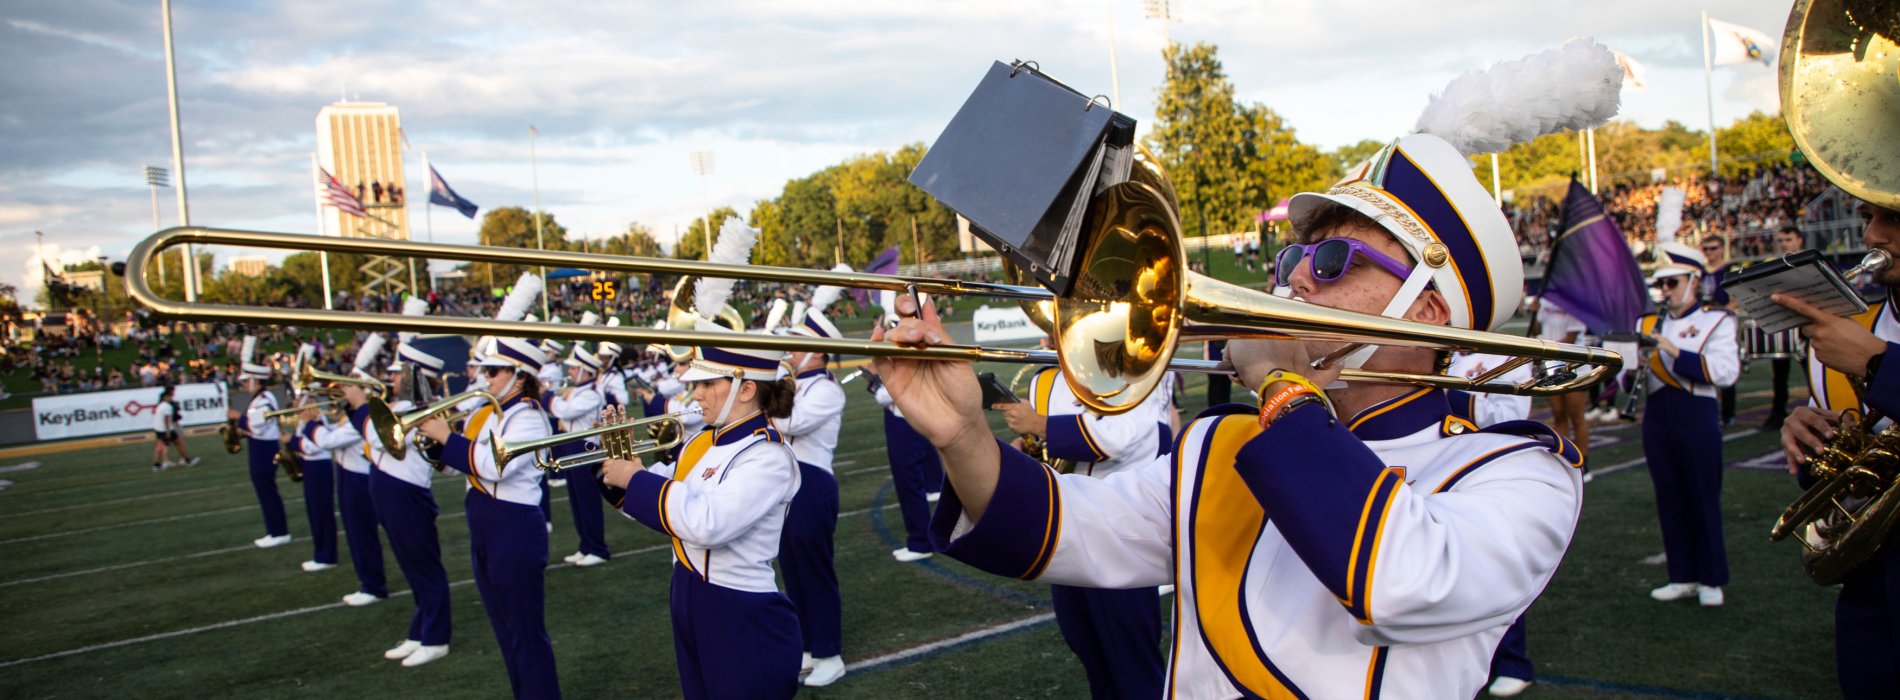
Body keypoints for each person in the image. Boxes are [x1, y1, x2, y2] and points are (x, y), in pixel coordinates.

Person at [877, 117, 1592, 695]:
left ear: (1428, 310)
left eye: (1334, 261)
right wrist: (963, 435)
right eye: (1295, 260)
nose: (1299, 281)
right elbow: (1062, 529)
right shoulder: (1221, 446)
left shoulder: (1520, 472)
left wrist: (1283, 387)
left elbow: (1402, 584)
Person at [599, 338, 803, 700]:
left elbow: (707, 524)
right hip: (689, 592)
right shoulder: (701, 443)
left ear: (746, 390)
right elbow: (657, 501)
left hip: (739, 608)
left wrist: (635, 478)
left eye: (708, 384)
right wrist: (615, 466)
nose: (696, 394)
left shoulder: (768, 455)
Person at [1776, 198, 1899, 698]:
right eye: (1868, 218)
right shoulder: (1852, 330)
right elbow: (1838, 476)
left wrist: (1878, 365)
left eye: (1895, 219)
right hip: (1872, 591)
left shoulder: (1862, 344)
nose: (1872, 237)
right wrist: (1811, 439)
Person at [994, 360, 1170, 699]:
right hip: (1067, 526)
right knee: (1087, 644)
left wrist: (1039, 424)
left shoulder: (1134, 370)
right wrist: (1027, 446)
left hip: (1120, 534)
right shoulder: (1046, 378)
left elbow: (1119, 439)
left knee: (1131, 661)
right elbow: (1048, 449)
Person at [418, 335, 561, 699]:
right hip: (485, 523)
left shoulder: (529, 417)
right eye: (486, 370)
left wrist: (447, 438)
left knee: (525, 632)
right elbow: (462, 467)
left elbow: (495, 467)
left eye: (494, 370)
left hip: (513, 527)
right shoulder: (490, 414)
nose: (486, 378)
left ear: (520, 375)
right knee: (505, 631)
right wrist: (436, 445)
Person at [1636, 241, 1738, 607]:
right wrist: (1631, 366)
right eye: (1660, 284)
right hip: (1657, 414)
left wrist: (1674, 351)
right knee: (1669, 497)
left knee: (1702, 496)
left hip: (1696, 412)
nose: (1664, 290)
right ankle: (1681, 576)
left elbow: (1726, 372)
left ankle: (1711, 578)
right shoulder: (1646, 323)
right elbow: (1628, 381)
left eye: (1672, 282)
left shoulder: (1717, 320)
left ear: (1694, 281)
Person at [1447, 352, 1538, 697]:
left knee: (1494, 565)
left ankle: (1513, 661)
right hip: (1443, 463)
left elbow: (1511, 419)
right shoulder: (1444, 353)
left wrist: (1450, 396)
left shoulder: (1507, 355)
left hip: (1486, 470)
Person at [358, 348, 454, 667]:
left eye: (398, 374)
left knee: (425, 567)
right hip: (390, 492)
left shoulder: (425, 412)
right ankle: (419, 631)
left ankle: (436, 638)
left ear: (414, 378)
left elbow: (380, 440)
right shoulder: (399, 408)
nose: (392, 378)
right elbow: (374, 439)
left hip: (408, 495)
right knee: (412, 567)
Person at [780, 302, 849, 686]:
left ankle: (829, 653)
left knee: (814, 571)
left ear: (818, 352)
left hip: (812, 483)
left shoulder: (826, 390)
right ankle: (807, 645)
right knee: (792, 569)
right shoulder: (796, 384)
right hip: (785, 483)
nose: (790, 350)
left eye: (797, 343)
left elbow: (792, 422)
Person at [550, 346, 610, 567]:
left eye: (575, 369)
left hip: (585, 447)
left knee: (587, 500)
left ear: (586, 370)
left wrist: (548, 398)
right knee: (575, 499)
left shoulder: (592, 392)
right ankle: (586, 545)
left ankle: (598, 548)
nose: (571, 372)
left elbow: (566, 411)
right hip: (571, 444)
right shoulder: (577, 390)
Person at [237, 358, 291, 548]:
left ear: (256, 381)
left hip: (264, 448)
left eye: (246, 381)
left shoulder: (264, 400)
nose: (244, 385)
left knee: (267, 491)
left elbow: (257, 425)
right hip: (260, 446)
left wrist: (238, 419)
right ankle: (274, 530)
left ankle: (279, 532)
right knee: (265, 491)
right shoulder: (260, 399)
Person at [1532, 297, 1591, 468]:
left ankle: (1583, 463)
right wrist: (1534, 313)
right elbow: (1536, 330)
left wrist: (1544, 350)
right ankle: (1564, 459)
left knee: (1576, 416)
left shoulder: (1575, 302)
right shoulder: (1545, 299)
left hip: (1574, 364)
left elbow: (1570, 339)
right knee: (1558, 413)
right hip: (1550, 363)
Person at [281, 393, 338, 573]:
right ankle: (321, 553)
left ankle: (326, 556)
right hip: (311, 465)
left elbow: (314, 446)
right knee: (315, 512)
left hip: (318, 466)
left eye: (298, 400)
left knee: (321, 512)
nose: (295, 403)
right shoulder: (306, 419)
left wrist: (292, 441)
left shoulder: (316, 419)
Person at [1760, 224, 1809, 429]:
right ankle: (1777, 413)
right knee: (1779, 374)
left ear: (1799, 241)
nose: (1784, 244)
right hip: (1783, 327)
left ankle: (1822, 406)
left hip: (1806, 325)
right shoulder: (1773, 265)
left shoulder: (1809, 263)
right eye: (1780, 240)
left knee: (1812, 370)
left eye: (1788, 240)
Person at [1699, 234, 1740, 426]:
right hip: (1703, 322)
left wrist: (1719, 315)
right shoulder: (1700, 272)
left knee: (1723, 366)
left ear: (1722, 249)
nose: (1709, 252)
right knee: (1703, 366)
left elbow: (1735, 300)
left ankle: (1728, 413)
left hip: (1722, 322)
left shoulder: (1730, 270)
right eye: (1705, 249)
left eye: (1713, 248)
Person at [150, 385, 196, 471]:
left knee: (160, 446)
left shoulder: (160, 405)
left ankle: (157, 464)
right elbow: (167, 420)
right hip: (166, 429)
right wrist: (168, 432)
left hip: (158, 428)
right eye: (170, 396)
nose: (172, 397)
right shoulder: (168, 406)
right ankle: (181, 460)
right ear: (166, 397)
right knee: (173, 444)